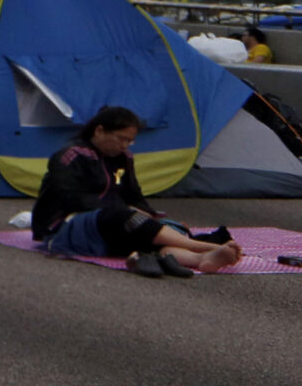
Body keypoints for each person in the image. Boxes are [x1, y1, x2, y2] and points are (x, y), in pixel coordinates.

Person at [29, 107, 243, 277]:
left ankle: (201, 259)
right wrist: (122, 210)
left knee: (153, 230)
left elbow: (133, 195)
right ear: (99, 131)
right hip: (64, 226)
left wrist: (151, 216)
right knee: (124, 216)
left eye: (130, 140)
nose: (126, 145)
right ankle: (203, 247)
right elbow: (68, 197)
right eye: (121, 138)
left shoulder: (123, 158)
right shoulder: (72, 155)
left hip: (109, 224)